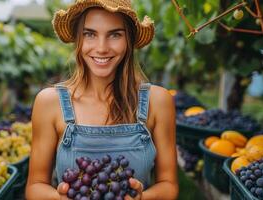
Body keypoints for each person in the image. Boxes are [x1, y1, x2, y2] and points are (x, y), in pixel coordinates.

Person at [26, 0, 178, 199]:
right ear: (78, 40)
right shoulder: (49, 102)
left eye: (115, 35)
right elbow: (34, 187)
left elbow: (169, 186)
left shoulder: (157, 101)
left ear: (129, 41)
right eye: (90, 34)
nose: (102, 48)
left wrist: (143, 198)